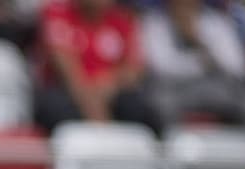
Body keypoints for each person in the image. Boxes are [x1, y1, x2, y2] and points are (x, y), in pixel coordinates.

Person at [34, 0, 162, 134]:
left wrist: (108, 84)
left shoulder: (123, 19)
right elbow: (65, 65)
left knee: (138, 108)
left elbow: (135, 68)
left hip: (110, 92)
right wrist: (95, 112)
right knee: (54, 108)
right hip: (70, 92)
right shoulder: (58, 13)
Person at [140, 0, 245, 132]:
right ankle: (174, 150)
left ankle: (241, 150)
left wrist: (197, 41)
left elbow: (239, 69)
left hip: (217, 89)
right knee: (158, 103)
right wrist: (202, 66)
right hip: (175, 90)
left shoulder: (216, 23)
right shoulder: (156, 23)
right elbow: (161, 68)